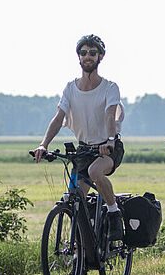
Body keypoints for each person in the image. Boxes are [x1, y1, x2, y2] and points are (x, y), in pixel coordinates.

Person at [34, 34, 125, 240]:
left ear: (100, 56)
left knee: (94, 171)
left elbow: (110, 114)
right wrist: (43, 144)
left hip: (107, 147)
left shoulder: (110, 87)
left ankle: (113, 213)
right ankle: (80, 251)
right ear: (79, 57)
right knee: (76, 199)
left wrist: (109, 141)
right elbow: (59, 118)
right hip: (84, 148)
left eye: (93, 53)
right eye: (83, 53)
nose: (88, 57)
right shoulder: (70, 88)